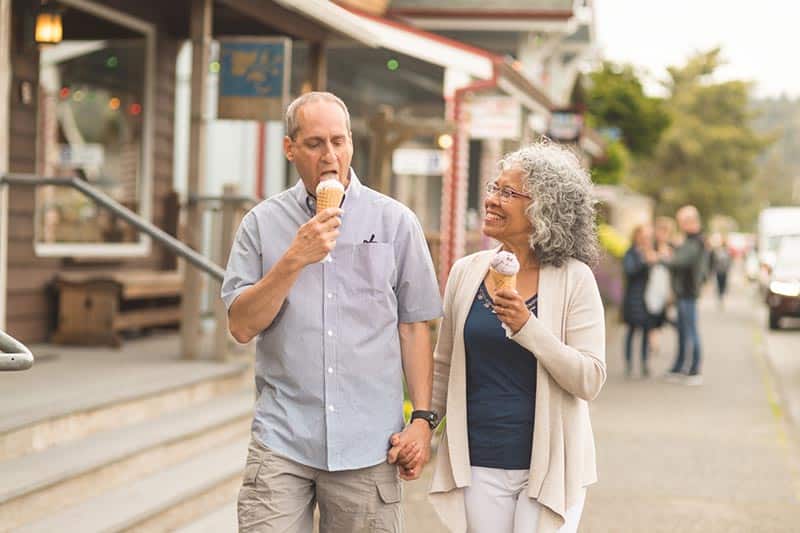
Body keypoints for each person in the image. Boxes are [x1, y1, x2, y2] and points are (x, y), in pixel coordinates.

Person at [221, 91, 442, 532]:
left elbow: (414, 326)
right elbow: (241, 326)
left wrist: (422, 419)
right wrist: (294, 258)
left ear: (351, 145)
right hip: (283, 438)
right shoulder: (262, 224)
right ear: (290, 149)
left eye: (339, 142)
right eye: (315, 143)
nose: (330, 155)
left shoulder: (395, 222)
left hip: (369, 443)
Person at [426, 141, 607, 533]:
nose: (492, 199)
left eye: (507, 193)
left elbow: (589, 378)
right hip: (479, 461)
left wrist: (529, 328)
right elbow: (444, 366)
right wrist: (423, 425)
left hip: (550, 465)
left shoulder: (575, 279)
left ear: (544, 208)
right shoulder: (466, 272)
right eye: (494, 187)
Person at [661, 205, 706, 385]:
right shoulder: (690, 241)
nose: (680, 226)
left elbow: (680, 262)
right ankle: (680, 367)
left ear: (690, 222)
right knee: (683, 331)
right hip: (684, 293)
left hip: (688, 293)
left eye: (682, 222)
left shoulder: (695, 241)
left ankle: (694, 370)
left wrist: (665, 258)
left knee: (690, 332)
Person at [622, 224, 658, 378]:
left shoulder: (650, 252)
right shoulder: (630, 253)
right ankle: (629, 364)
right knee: (631, 331)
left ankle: (644, 363)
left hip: (646, 298)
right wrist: (645, 262)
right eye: (643, 236)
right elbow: (630, 271)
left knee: (645, 331)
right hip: (632, 297)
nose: (645, 239)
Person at [710, 235, 732, 308]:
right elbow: (714, 261)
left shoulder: (727, 251)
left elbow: (729, 261)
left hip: (724, 271)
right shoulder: (717, 251)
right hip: (719, 270)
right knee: (719, 284)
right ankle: (720, 296)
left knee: (723, 284)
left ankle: (721, 295)